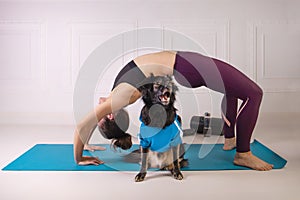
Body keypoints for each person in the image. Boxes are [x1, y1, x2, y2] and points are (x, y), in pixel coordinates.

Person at [73, 51, 273, 171]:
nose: (97, 107)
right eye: (100, 115)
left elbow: (89, 124)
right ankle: (243, 154)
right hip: (188, 66)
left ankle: (230, 141)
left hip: (185, 63)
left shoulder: (115, 92)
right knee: (253, 93)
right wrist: (79, 157)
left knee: (232, 89)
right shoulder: (121, 97)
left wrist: (87, 142)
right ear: (110, 115)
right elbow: (83, 124)